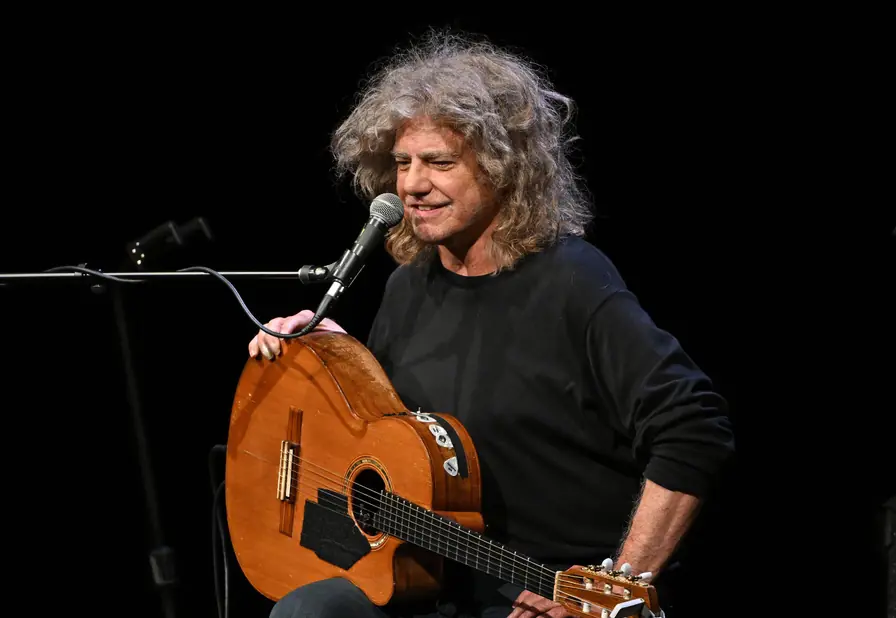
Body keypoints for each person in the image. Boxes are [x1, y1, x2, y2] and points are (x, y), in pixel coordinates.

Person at [248, 30, 735, 618]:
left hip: (551, 592)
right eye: (402, 163)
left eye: (439, 162)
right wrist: (330, 359)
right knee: (309, 609)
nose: (412, 185)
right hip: (434, 582)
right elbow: (396, 438)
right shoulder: (409, 287)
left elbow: (692, 427)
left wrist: (613, 585)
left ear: (505, 169)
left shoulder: (570, 281)